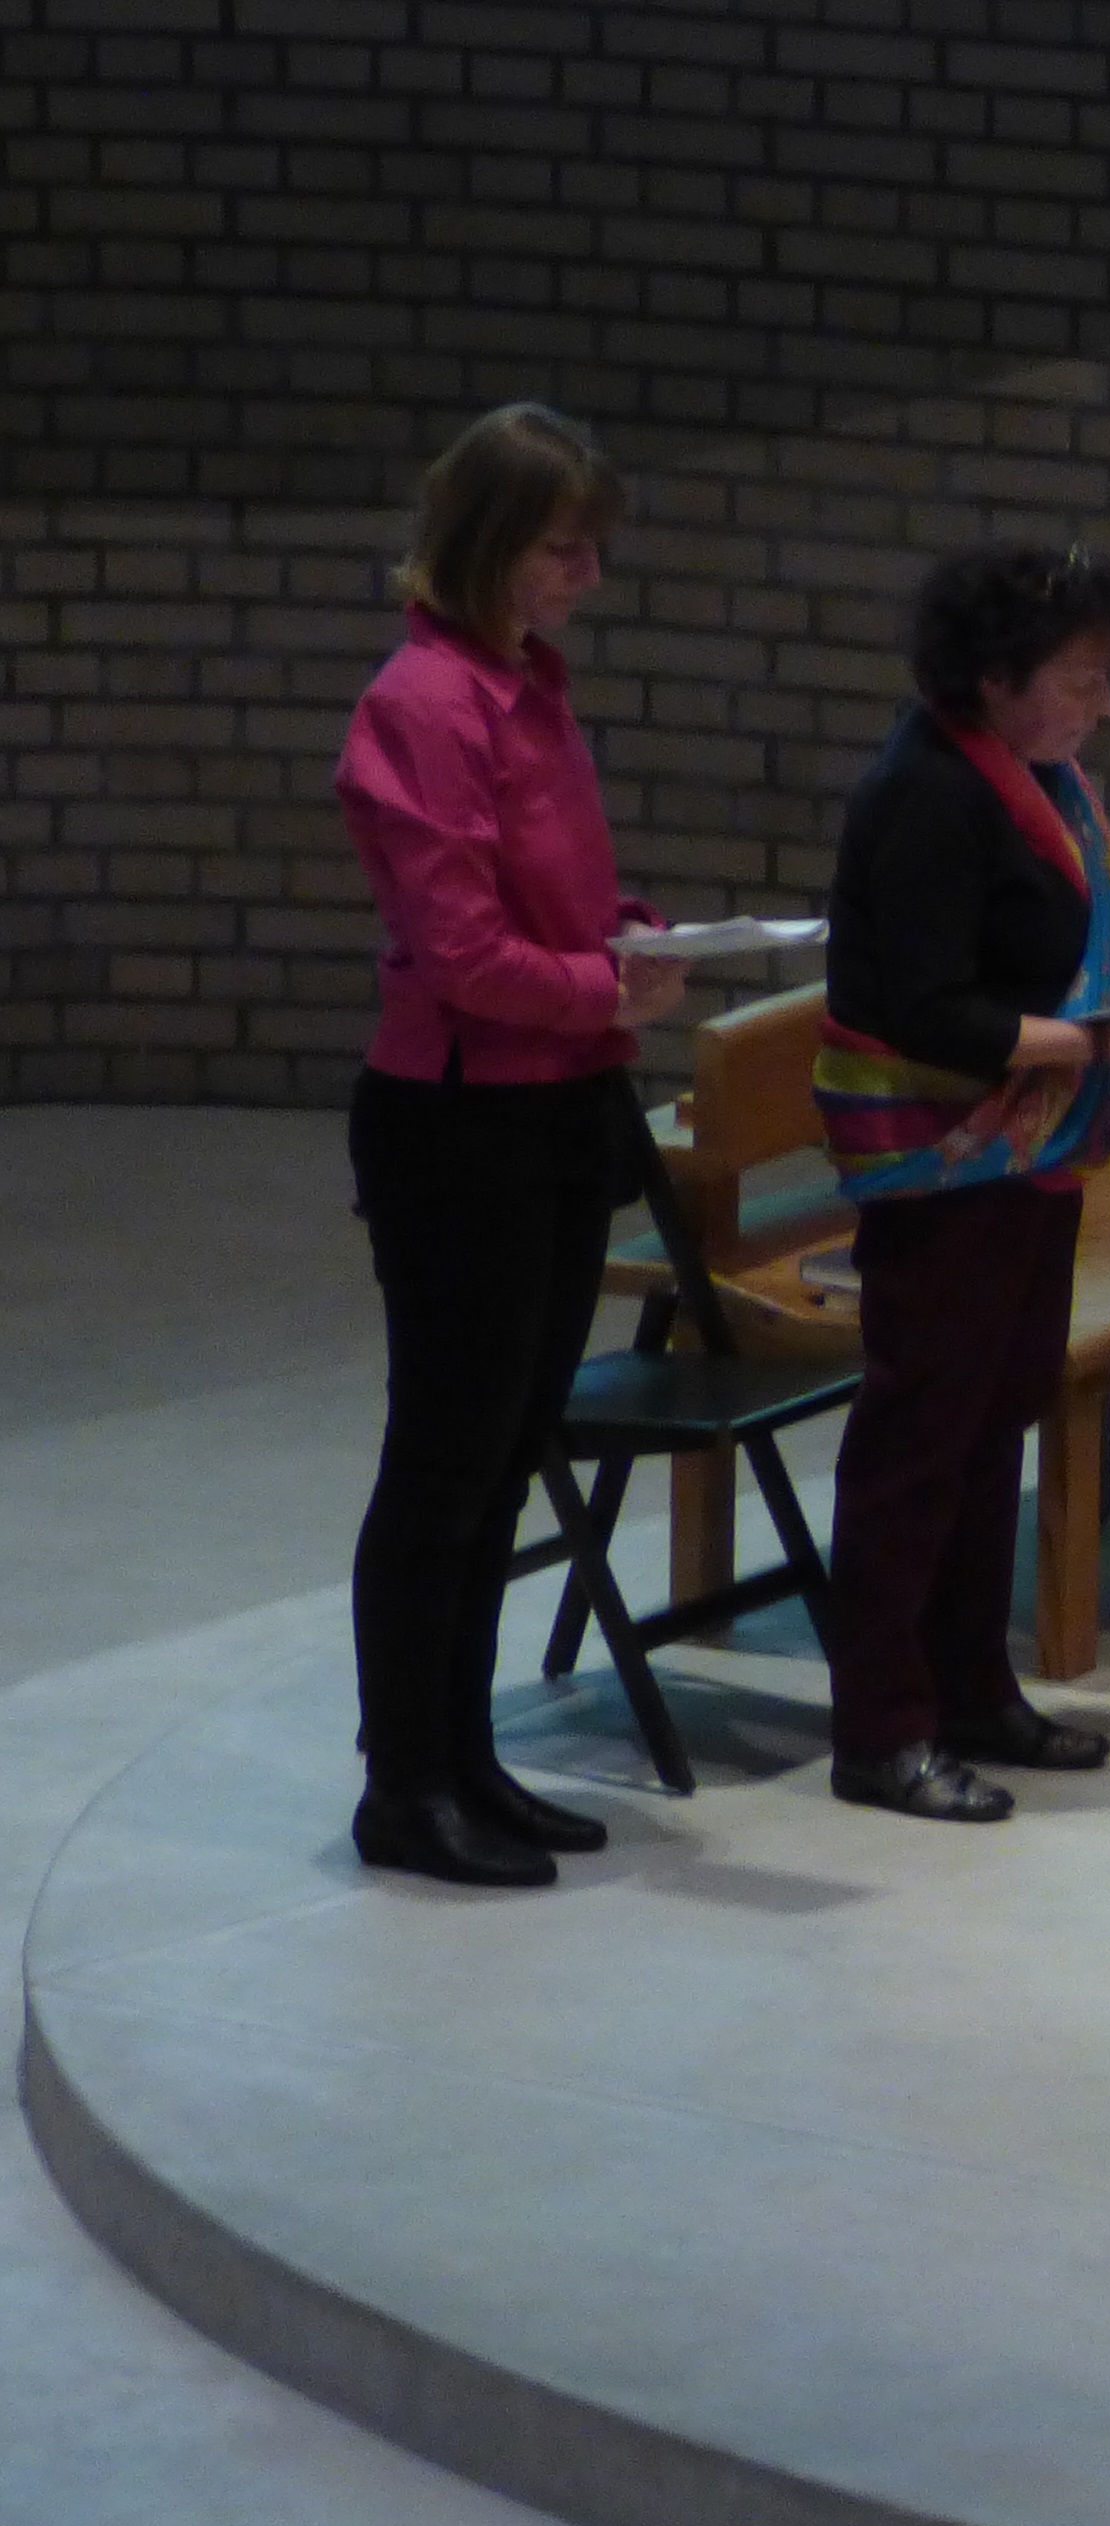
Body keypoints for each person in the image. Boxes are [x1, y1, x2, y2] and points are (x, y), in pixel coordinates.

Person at [816, 545, 1110, 1822]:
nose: (1104, 705)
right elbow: (936, 1011)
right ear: (992, 678)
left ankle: (970, 1686)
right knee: (919, 1441)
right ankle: (881, 1726)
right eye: (1080, 680)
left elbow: (1049, 945)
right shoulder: (929, 793)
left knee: (994, 1415)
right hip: (946, 1161)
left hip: (1028, 1155)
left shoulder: (1038, 778)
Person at [332, 401, 689, 1889]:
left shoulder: (527, 683)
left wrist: (633, 938)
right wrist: (603, 987)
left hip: (556, 1106)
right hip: (459, 1120)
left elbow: (550, 903)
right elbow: (463, 952)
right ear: (484, 543)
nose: (587, 574)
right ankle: (401, 1783)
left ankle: (466, 1756)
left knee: (508, 1452)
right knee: (446, 1458)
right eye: (562, 547)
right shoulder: (421, 704)